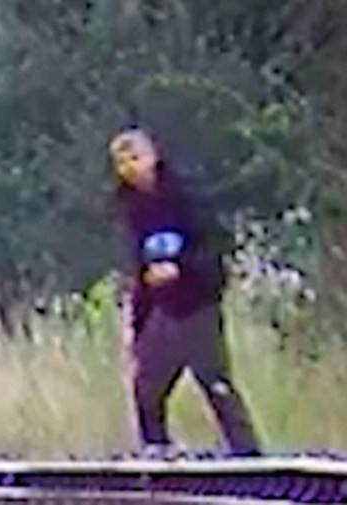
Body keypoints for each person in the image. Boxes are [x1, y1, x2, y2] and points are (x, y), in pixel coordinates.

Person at [111, 126, 260, 458]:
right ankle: (156, 451)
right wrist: (137, 324)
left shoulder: (185, 196)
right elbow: (139, 267)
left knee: (216, 383)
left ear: (152, 157)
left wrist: (182, 268)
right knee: (147, 387)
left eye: (135, 158)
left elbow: (217, 244)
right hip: (161, 309)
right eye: (122, 163)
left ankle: (248, 455)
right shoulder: (132, 209)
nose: (130, 168)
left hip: (198, 302)